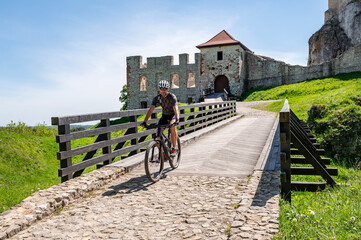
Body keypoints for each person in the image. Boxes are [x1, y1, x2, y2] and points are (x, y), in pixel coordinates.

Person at [141, 80, 180, 156]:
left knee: (172, 127)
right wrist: (144, 121)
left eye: (165, 88)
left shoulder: (172, 97)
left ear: (168, 89)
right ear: (159, 89)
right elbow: (151, 110)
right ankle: (163, 153)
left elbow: (175, 108)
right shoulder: (157, 98)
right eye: (161, 88)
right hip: (164, 116)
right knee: (157, 134)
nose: (163, 90)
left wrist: (177, 119)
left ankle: (174, 148)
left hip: (173, 115)